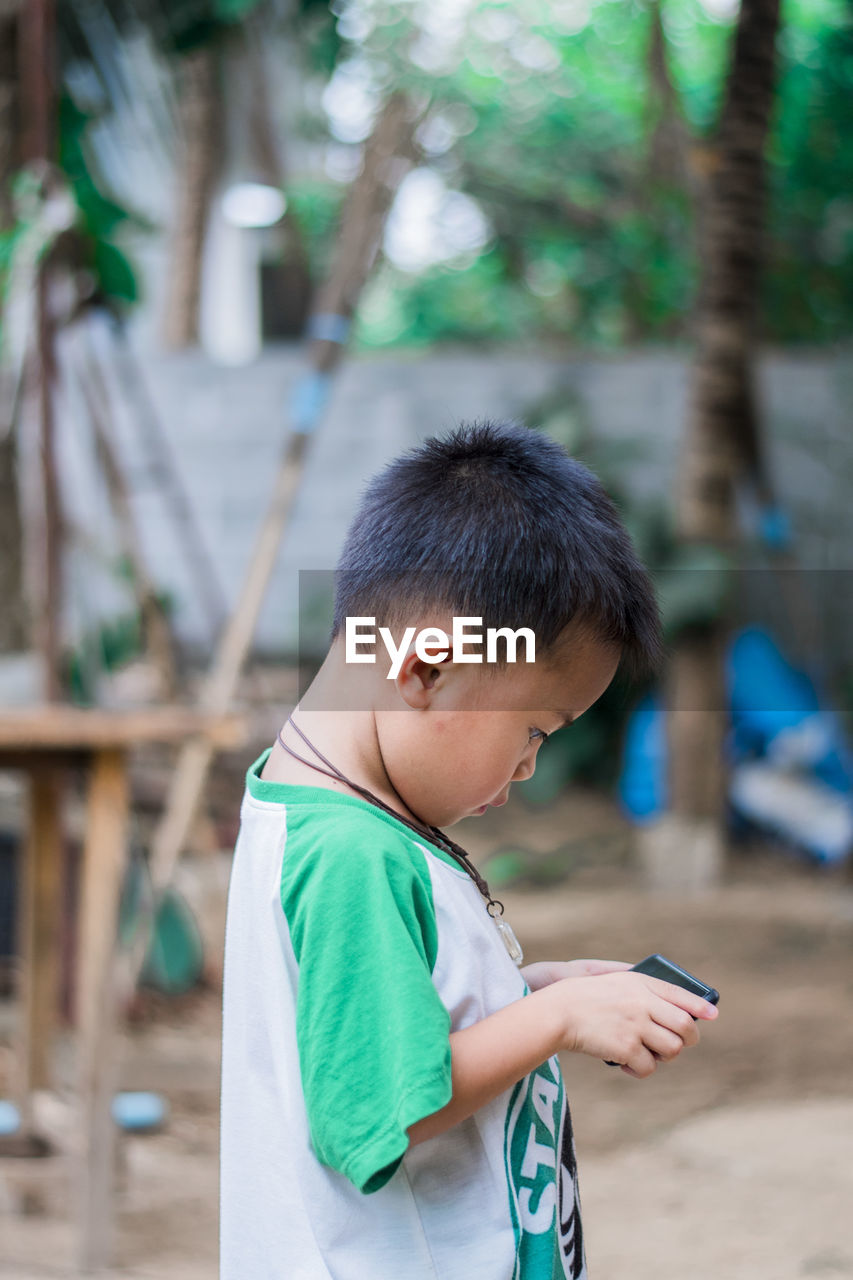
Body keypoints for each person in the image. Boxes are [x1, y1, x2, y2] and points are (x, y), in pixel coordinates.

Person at [219, 420, 719, 1280]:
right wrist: (551, 1021)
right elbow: (376, 1109)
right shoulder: (351, 854)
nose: (529, 765)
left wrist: (523, 990)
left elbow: (376, 1021)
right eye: (532, 729)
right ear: (424, 670)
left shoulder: (326, 806)